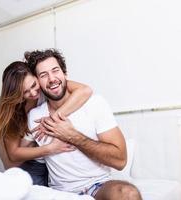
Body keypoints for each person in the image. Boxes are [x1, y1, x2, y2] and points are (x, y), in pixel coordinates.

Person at [25, 49, 142, 199]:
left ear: (64, 73)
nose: (52, 78)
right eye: (43, 75)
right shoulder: (35, 116)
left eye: (55, 71)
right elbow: (21, 156)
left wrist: (72, 136)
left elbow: (120, 160)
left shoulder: (94, 104)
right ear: (37, 83)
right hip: (60, 192)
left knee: (129, 194)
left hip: (97, 185)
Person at [0, 61, 93, 186]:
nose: (34, 93)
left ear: (36, 76)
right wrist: (50, 148)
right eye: (25, 92)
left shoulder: (47, 86)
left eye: (34, 85)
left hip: (49, 163)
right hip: (29, 165)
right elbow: (13, 158)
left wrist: (52, 118)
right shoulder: (13, 111)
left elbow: (85, 90)